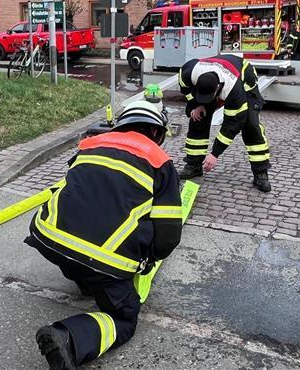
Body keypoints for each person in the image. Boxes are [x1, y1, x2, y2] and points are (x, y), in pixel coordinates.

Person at [27, 101, 183, 370]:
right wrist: (147, 260)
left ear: (120, 125)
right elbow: (168, 236)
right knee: (125, 318)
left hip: (47, 237)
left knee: (79, 255)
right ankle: (69, 338)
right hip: (101, 260)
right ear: (157, 133)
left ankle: (84, 280)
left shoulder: (91, 144)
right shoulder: (160, 162)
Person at [177, 54, 272, 192]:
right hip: (216, 72)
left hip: (245, 81)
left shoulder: (233, 89)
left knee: (250, 125)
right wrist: (196, 105)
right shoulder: (189, 72)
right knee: (197, 117)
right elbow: (185, 89)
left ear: (217, 88)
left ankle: (260, 172)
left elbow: (232, 124)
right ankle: (194, 165)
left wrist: (215, 153)